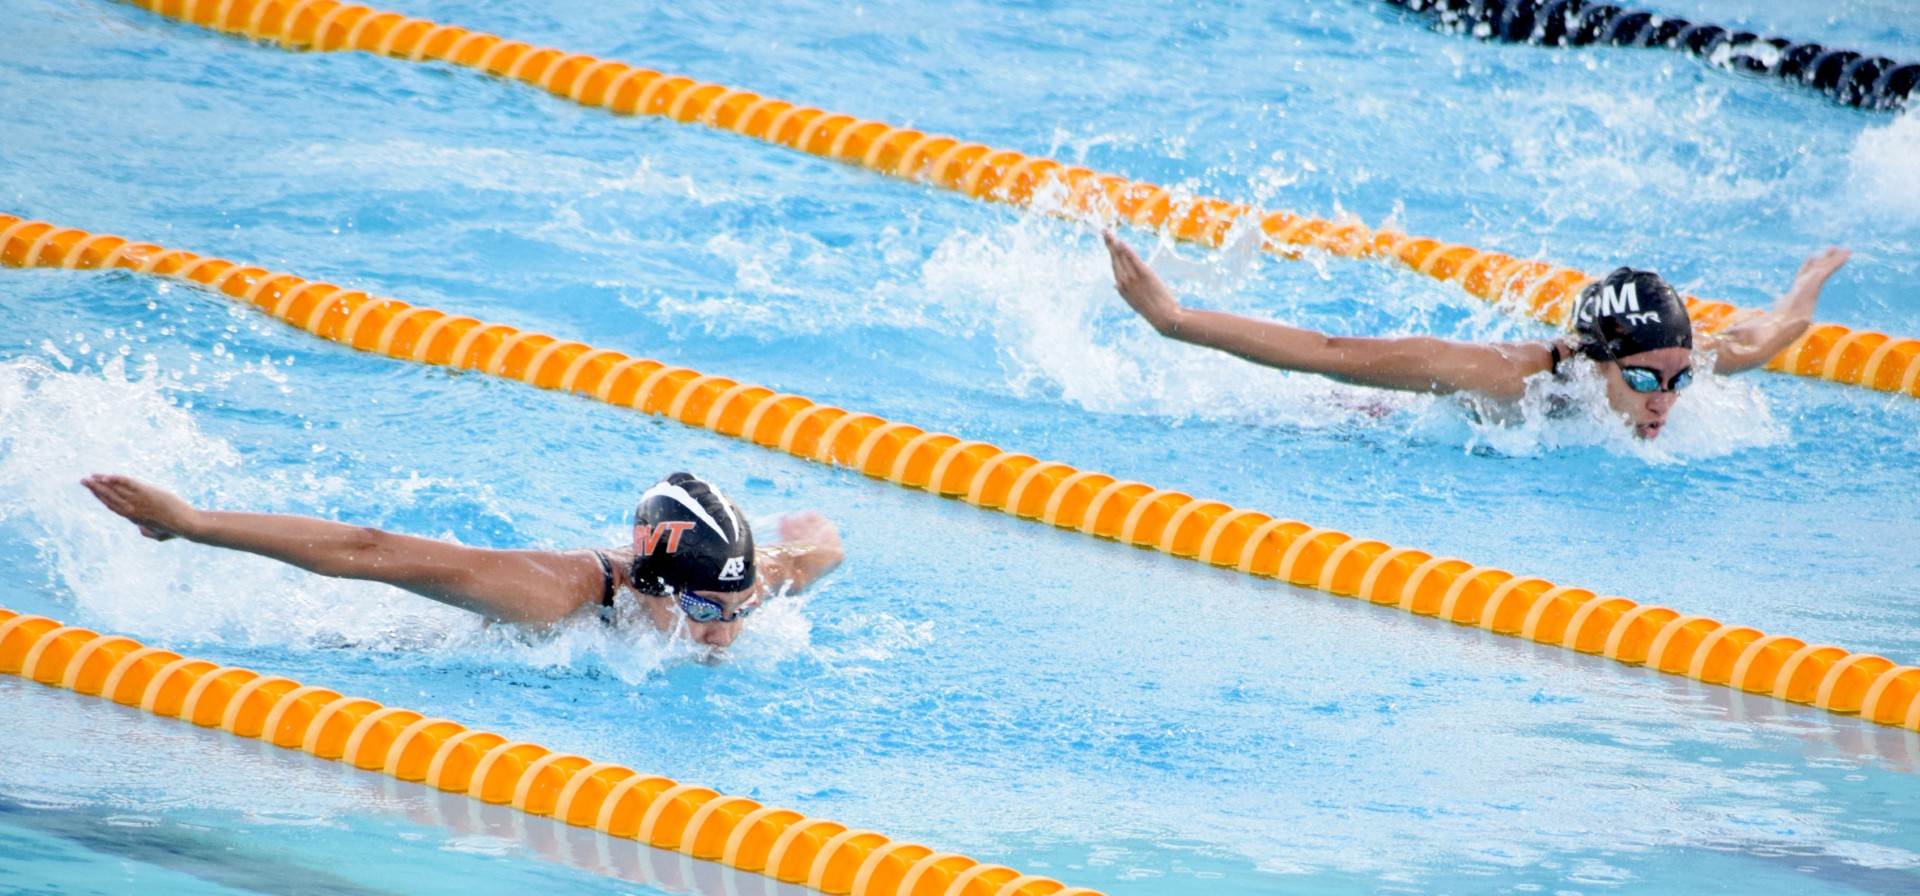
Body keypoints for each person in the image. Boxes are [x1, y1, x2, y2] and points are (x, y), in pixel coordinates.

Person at [1103, 231, 1852, 439]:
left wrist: (1804, 290)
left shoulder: (1665, 359)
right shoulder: (1510, 375)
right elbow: (1332, 353)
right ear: (1598, 361)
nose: (1666, 401)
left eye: (1679, 380)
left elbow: (1755, 340)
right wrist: (1174, 320)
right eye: (1645, 381)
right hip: (1377, 422)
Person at [80, 471, 844, 649]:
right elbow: (368, 552)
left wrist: (812, 536)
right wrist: (194, 524)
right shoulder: (553, 593)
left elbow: (818, 555)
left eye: (739, 610)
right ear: (656, 586)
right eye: (705, 611)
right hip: (387, 640)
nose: (724, 633)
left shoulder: (742, 583)